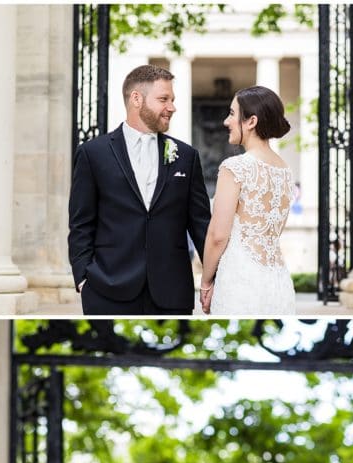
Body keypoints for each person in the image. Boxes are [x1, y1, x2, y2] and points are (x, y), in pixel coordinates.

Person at [68, 65, 211, 315]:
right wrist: (83, 278)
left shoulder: (187, 156)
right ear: (136, 99)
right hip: (107, 288)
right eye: (163, 99)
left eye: (172, 100)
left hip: (172, 292)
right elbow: (81, 223)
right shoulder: (93, 153)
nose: (172, 107)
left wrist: (213, 278)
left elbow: (200, 224)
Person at [200, 86, 297, 315]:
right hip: (278, 281)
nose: (226, 121)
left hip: (240, 279)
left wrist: (205, 282)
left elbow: (217, 235)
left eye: (232, 114)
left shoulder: (235, 167)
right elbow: (274, 232)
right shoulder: (285, 171)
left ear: (251, 121)